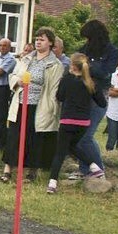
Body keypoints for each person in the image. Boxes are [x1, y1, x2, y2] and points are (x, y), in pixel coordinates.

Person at [0, 27, 63, 183]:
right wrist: (18, 82)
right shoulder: (26, 59)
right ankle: (7, 170)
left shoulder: (55, 64)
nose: (38, 41)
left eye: (42, 39)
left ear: (50, 43)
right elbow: (13, 75)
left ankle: (32, 171)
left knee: (34, 138)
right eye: (37, 38)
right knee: (14, 136)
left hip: (39, 106)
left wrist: (52, 110)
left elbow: (54, 89)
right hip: (20, 102)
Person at [47, 53, 107, 194]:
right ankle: (94, 167)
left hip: (67, 120)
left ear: (72, 66)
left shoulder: (67, 80)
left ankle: (52, 183)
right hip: (83, 123)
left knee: (60, 152)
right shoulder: (90, 82)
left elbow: (59, 97)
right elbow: (102, 103)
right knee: (72, 146)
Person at [71, 20, 118, 178]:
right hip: (82, 96)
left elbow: (106, 72)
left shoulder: (112, 51)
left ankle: (98, 171)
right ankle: (85, 170)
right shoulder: (85, 49)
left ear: (95, 36)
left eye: (88, 38)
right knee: (80, 136)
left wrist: (87, 65)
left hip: (98, 97)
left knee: (87, 136)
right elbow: (76, 65)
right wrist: (89, 66)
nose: (86, 42)